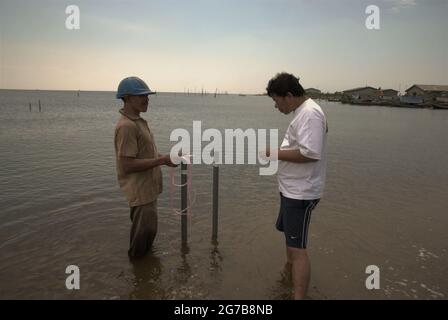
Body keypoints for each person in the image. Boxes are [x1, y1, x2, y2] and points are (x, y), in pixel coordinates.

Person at [265, 72, 328, 299]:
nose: (275, 106)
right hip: (291, 189)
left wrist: (275, 153)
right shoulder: (302, 112)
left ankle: (298, 295)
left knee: (298, 249)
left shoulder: (309, 114)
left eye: (276, 100)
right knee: (290, 241)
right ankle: (287, 273)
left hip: (300, 193)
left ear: (288, 95)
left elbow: (311, 153)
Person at [114, 76, 177, 259]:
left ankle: (145, 277)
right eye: (141, 96)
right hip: (140, 194)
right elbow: (126, 165)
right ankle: (139, 280)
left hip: (148, 191)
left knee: (148, 236)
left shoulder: (138, 122)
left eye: (147, 95)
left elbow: (143, 155)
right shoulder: (126, 126)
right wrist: (161, 160)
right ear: (126, 98)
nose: (146, 99)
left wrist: (167, 157)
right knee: (140, 244)